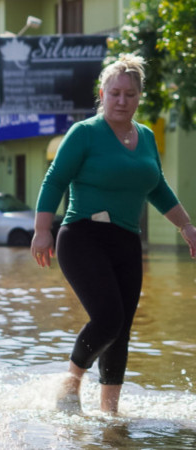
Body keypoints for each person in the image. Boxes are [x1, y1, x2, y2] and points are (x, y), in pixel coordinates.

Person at [31, 54, 196, 415]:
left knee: (121, 328)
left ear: (140, 97)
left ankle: (110, 413)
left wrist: (186, 226)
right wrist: (42, 230)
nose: (122, 101)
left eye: (130, 95)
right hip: (81, 236)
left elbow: (158, 189)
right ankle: (71, 382)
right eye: (115, 93)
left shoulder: (147, 137)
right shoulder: (85, 133)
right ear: (102, 93)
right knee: (107, 318)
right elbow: (55, 179)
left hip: (125, 241)